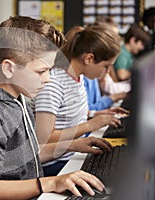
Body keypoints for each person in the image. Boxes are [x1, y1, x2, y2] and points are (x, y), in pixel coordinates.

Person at [0, 16, 111, 199]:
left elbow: (24, 157)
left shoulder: (16, 98)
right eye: (41, 71)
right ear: (9, 69)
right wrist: (51, 183)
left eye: (49, 70)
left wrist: (72, 145)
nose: (48, 79)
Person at [33, 25, 127, 176]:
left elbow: (69, 113)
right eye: (106, 66)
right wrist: (90, 125)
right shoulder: (53, 85)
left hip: (71, 154)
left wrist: (96, 114)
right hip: (55, 164)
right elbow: (44, 138)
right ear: (89, 59)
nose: (107, 72)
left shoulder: (78, 78)